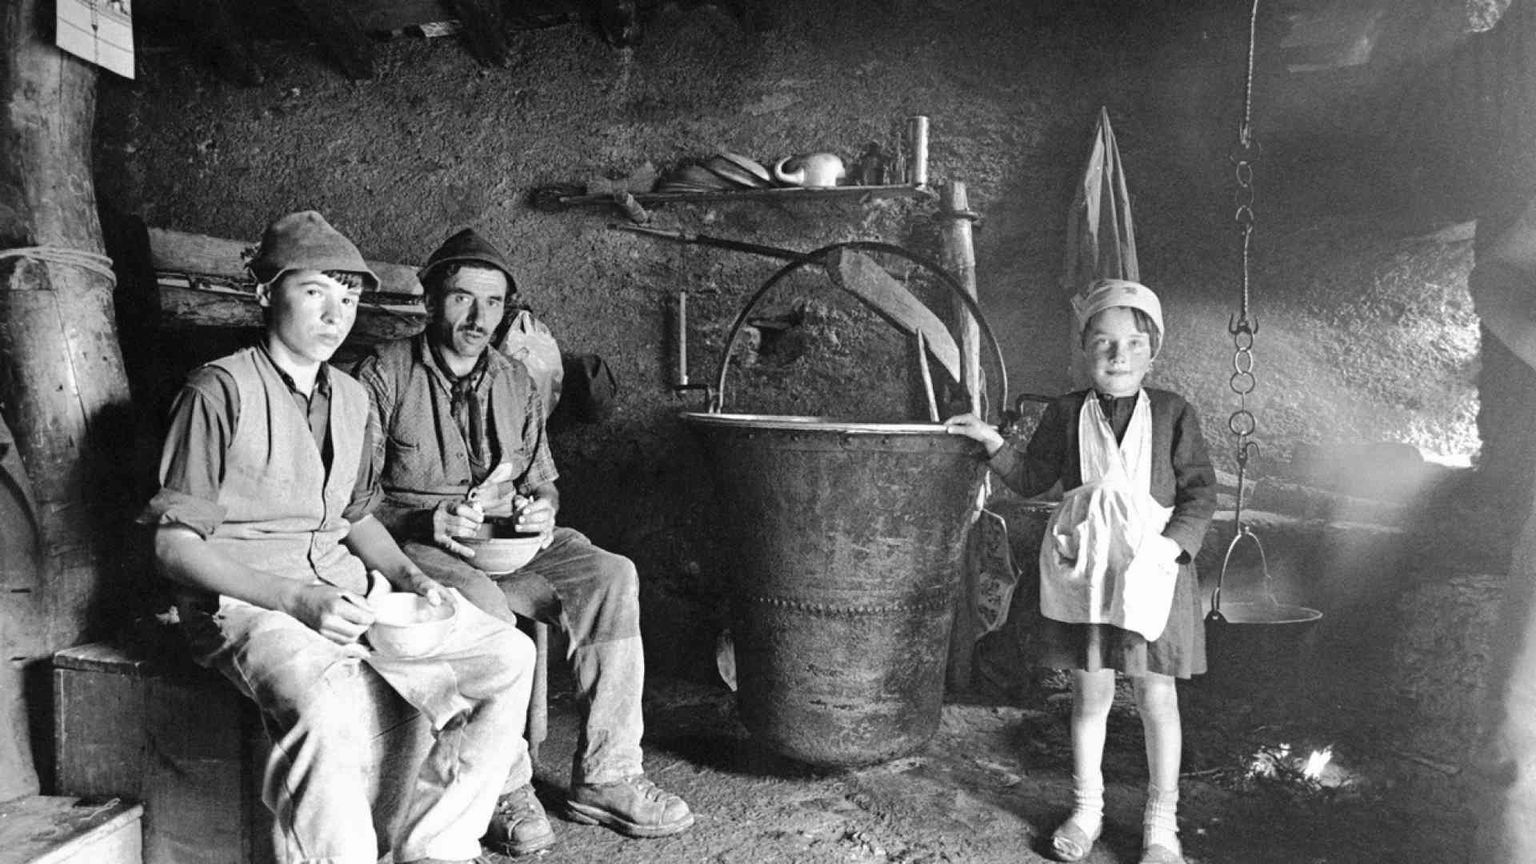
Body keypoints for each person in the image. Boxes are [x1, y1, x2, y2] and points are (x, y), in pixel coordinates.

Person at [141, 211, 535, 864]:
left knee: (507, 657)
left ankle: (434, 846)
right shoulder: (218, 391)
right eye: (315, 292)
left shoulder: (351, 397)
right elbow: (172, 547)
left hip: (348, 591)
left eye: (348, 297)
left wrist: (414, 579)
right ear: (266, 294)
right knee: (326, 704)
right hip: (250, 604)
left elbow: (353, 518)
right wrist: (294, 602)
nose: (336, 314)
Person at [355, 228, 693, 857]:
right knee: (481, 608)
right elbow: (351, 506)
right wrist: (421, 525)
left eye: (492, 303)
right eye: (461, 299)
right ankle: (502, 786)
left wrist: (543, 510)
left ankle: (609, 774)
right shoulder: (380, 376)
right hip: (424, 545)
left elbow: (544, 482)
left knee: (611, 574)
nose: (478, 318)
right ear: (430, 300)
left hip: (512, 543)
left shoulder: (516, 380)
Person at [946, 279, 1216, 864]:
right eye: (1103, 344)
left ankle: (1160, 825)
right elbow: (1033, 477)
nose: (1118, 357)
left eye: (1133, 344)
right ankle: (1087, 808)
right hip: (1088, 572)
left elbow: (1199, 495)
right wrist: (992, 441)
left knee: (1156, 698)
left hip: (1152, 572)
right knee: (1090, 695)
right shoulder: (1067, 413)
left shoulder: (1173, 414)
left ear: (1152, 350)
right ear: (1083, 350)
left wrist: (1169, 552)